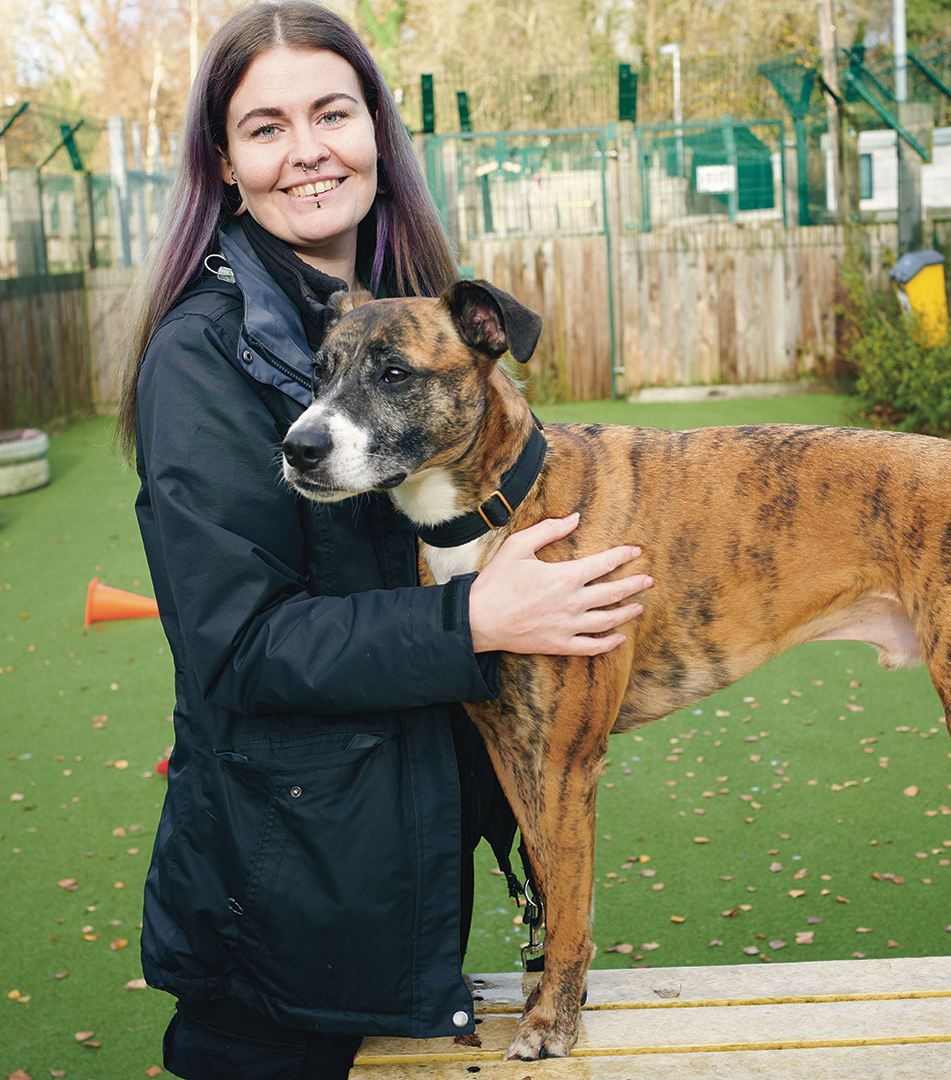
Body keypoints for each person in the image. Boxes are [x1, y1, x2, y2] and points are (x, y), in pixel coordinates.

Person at [114, 4, 652, 1078]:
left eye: (332, 112)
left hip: (387, 870)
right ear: (225, 162)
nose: (307, 150)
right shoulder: (203, 354)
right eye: (266, 127)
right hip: (284, 905)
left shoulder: (388, 312)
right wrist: (473, 619)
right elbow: (240, 646)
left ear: (376, 132)